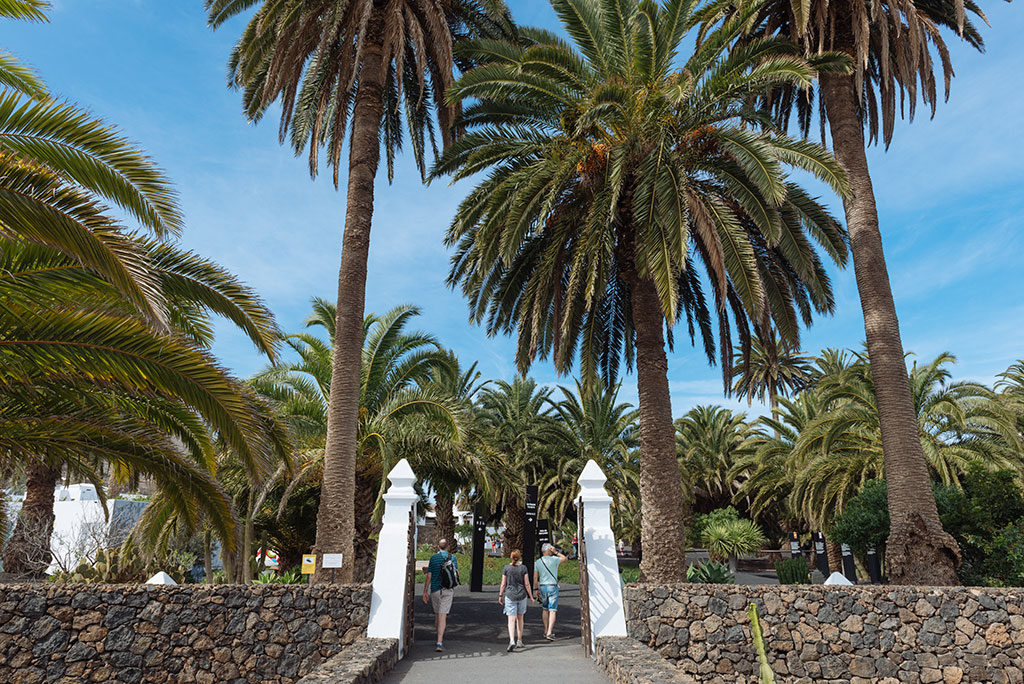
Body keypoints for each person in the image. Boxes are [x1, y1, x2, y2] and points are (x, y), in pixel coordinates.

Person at [422, 538, 458, 652]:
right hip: (447, 590)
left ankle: (438, 636)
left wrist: (425, 591)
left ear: (438, 547)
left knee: (437, 615)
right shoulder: (452, 558)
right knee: (443, 616)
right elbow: (456, 573)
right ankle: (439, 641)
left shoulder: (433, 558)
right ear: (448, 547)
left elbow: (429, 576)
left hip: (435, 590)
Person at [498, 549, 532, 651]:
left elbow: (503, 583)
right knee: (520, 618)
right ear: (520, 557)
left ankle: (511, 640)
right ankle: (519, 640)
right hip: (522, 595)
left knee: (511, 619)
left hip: (510, 595)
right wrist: (531, 595)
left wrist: (500, 595)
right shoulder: (523, 568)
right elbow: (527, 583)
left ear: (511, 557)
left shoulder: (506, 568)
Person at [533, 543, 567, 640]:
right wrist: (556, 552)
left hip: (543, 587)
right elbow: (565, 558)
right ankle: (549, 632)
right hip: (552, 586)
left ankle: (545, 629)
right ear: (549, 550)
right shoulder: (554, 559)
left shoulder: (538, 562)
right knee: (552, 610)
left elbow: (535, 577)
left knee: (545, 609)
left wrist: (536, 589)